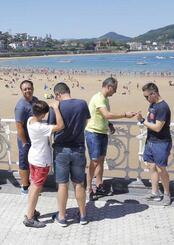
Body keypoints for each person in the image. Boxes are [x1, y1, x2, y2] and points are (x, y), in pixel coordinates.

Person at [85, 77, 136, 201]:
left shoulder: (105, 99)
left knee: (101, 161)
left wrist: (109, 124)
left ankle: (99, 185)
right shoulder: (99, 98)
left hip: (102, 133)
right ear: (109, 87)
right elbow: (106, 114)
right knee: (94, 161)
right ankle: (88, 188)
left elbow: (103, 117)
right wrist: (125, 114)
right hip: (93, 133)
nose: (116, 91)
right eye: (115, 89)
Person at [47, 82, 90, 227]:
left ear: (58, 94)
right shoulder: (82, 104)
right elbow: (84, 123)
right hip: (78, 148)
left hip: (60, 150)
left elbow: (51, 128)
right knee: (79, 183)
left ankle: (62, 217)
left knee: (62, 184)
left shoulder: (55, 107)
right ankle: (83, 215)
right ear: (68, 91)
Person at [23, 100, 64, 228]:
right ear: (43, 114)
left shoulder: (30, 120)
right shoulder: (40, 127)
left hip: (33, 157)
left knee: (33, 185)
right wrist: (56, 108)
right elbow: (60, 126)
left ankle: (30, 211)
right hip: (41, 160)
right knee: (36, 187)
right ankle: (29, 218)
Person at [137, 82, 171, 206]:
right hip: (150, 141)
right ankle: (155, 192)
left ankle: (167, 194)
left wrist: (141, 120)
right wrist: (143, 119)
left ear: (154, 93)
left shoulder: (163, 107)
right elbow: (149, 119)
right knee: (151, 167)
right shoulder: (152, 105)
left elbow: (157, 127)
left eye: (147, 96)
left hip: (161, 142)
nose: (146, 99)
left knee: (161, 169)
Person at [15, 80, 38, 194]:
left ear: (33, 88)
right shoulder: (20, 106)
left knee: (34, 161)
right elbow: (19, 126)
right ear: (22, 91)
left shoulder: (35, 100)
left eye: (29, 88)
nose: (27, 90)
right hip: (24, 138)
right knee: (24, 161)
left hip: (34, 138)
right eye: (25, 89)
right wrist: (24, 142)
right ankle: (24, 186)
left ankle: (33, 184)